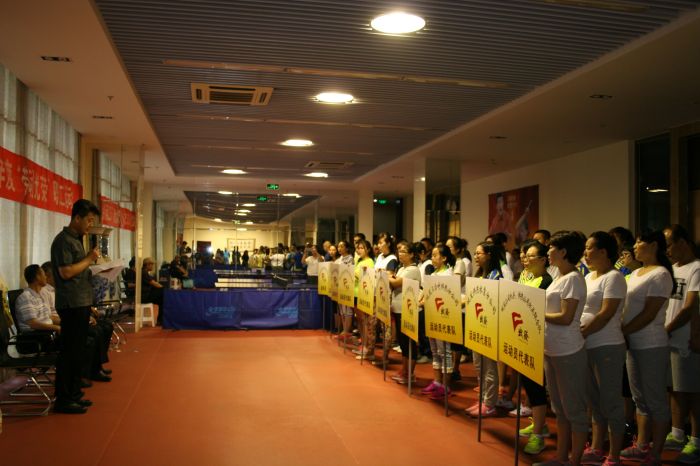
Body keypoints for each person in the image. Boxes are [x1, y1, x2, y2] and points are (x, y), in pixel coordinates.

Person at [620, 231, 675, 466]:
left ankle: (656, 452)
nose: (635, 246)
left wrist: (624, 331)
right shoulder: (635, 273)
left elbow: (650, 313)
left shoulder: (660, 274)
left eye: (639, 242)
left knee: (655, 399)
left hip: (651, 343)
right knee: (639, 398)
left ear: (653, 245)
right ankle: (642, 444)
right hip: (632, 343)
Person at [535, 231, 588, 466]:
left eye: (552, 248)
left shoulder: (573, 279)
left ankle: (574, 460)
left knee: (574, 410)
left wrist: (538, 313)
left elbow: (566, 317)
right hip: (551, 350)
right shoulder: (559, 276)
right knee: (559, 408)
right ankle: (561, 457)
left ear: (563, 252)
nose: (548, 251)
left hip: (568, 351)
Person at [579, 232, 628, 466]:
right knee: (594, 401)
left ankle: (615, 455)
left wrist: (582, 333)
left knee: (611, 401)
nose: (585, 253)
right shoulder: (589, 277)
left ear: (603, 251)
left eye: (589, 248)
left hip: (607, 345)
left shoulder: (614, 277)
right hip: (586, 344)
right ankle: (597, 448)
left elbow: (606, 312)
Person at [50, 199, 101, 414]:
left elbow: (78, 269)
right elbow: (66, 272)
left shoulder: (77, 240)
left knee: (78, 351)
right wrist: (89, 259)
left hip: (81, 301)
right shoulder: (63, 241)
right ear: (77, 218)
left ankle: (74, 393)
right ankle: (63, 399)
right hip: (71, 303)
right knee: (69, 352)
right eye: (88, 220)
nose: (90, 225)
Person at [663, 225, 700, 464]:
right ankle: (677, 433)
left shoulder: (696, 268)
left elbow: (690, 307)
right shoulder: (672, 268)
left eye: (669, 244)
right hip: (669, 339)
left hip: (686, 338)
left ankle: (696, 440)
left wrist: (667, 329)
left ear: (683, 242)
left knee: (693, 390)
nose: (667, 250)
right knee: (675, 388)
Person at [517, 240, 554, 455]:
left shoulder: (546, 281)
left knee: (536, 387)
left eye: (530, 256)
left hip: (538, 341)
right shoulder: (527, 277)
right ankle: (540, 424)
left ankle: (539, 435)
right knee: (529, 386)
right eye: (525, 255)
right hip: (524, 337)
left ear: (542, 259)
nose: (526, 259)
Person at [465, 241, 504, 418]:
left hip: (489, 327)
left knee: (489, 368)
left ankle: (490, 403)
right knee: (479, 366)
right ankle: (482, 399)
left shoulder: (496, 276)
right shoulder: (479, 274)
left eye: (479, 253)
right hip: (476, 325)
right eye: (475, 253)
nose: (475, 256)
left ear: (489, 255)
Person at [420, 243, 456, 400]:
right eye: (432, 255)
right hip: (432, 315)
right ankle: (437, 381)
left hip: (443, 318)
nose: (432, 258)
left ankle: (446, 386)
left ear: (444, 258)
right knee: (435, 351)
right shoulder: (433, 273)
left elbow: (448, 298)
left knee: (445, 352)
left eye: (435, 255)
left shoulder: (448, 275)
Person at [389, 241, 422, 384]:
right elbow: (394, 281)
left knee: (409, 342)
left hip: (408, 310)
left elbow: (395, 283)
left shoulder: (413, 270)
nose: (400, 254)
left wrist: (389, 276)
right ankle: (404, 370)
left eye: (404, 252)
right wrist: (392, 277)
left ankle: (410, 373)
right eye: (399, 251)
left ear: (412, 254)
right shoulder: (402, 268)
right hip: (398, 308)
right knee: (402, 342)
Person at [353, 239, 375, 359]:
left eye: (362, 248)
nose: (359, 250)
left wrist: (354, 273)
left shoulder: (369, 261)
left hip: (363, 294)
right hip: (355, 293)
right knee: (360, 321)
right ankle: (363, 345)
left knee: (365, 322)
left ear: (368, 249)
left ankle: (368, 348)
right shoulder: (359, 261)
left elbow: (365, 276)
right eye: (358, 248)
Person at [142, 257, 164, 324]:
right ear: (147, 265)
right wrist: (164, 288)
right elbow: (154, 284)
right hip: (145, 296)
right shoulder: (144, 273)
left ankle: (160, 320)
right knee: (163, 294)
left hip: (148, 293)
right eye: (152, 264)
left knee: (162, 299)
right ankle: (160, 320)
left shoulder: (146, 272)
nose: (153, 266)